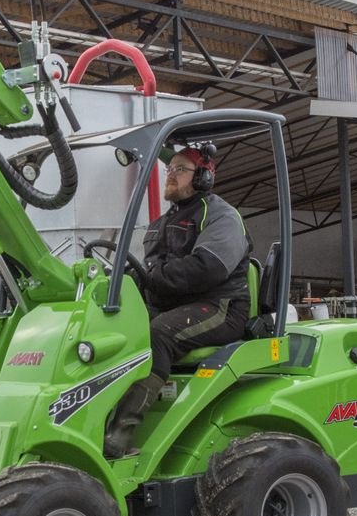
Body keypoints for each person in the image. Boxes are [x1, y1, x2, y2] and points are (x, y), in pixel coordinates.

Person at [104, 143, 253, 457]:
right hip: (173, 305)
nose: (171, 175)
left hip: (220, 306)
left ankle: (120, 434)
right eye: (169, 169)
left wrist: (152, 278)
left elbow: (207, 267)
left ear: (203, 177)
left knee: (158, 334)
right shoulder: (161, 223)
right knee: (112, 332)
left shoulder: (221, 216)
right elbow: (148, 270)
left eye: (181, 169)